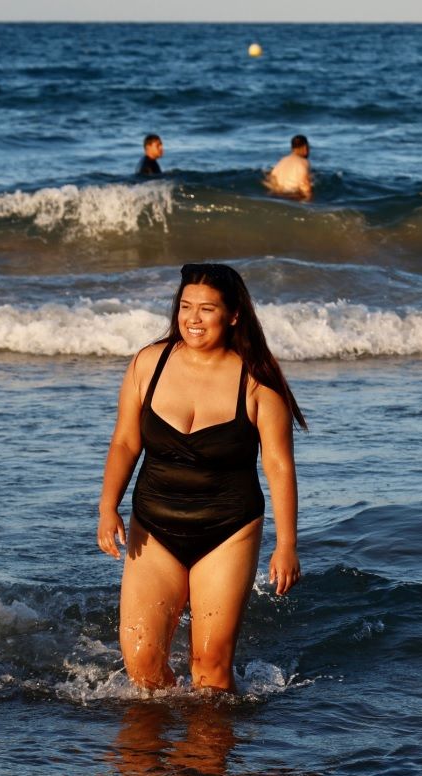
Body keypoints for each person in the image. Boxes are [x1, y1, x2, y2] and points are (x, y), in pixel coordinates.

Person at [97, 263, 306, 692]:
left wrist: (286, 545)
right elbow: (124, 443)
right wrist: (107, 507)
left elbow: (279, 465)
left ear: (232, 316)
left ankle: (206, 756)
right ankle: (149, 757)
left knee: (210, 668)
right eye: (185, 306)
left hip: (228, 530)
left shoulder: (257, 379)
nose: (192, 318)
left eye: (206, 309)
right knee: (142, 664)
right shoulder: (148, 363)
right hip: (153, 526)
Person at [264, 135, 312, 201]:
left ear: (292, 148)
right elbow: (306, 188)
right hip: (291, 197)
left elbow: (271, 180)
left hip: (274, 196)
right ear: (305, 148)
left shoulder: (281, 162)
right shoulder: (303, 162)